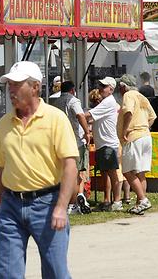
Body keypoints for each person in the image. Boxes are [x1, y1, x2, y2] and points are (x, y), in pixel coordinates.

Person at [0, 61, 77, 279]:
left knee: (55, 272)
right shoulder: (4, 123)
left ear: (35, 87)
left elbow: (70, 166)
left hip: (47, 204)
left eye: (17, 84)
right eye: (9, 84)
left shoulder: (55, 119)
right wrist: (3, 204)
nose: (11, 90)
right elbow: (1, 168)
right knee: (8, 273)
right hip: (11, 206)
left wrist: (61, 207)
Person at [116, 74, 156, 215]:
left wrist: (125, 130)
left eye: (119, 86)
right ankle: (140, 203)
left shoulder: (128, 95)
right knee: (140, 172)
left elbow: (128, 113)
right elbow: (153, 116)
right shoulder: (141, 96)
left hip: (134, 137)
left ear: (123, 86)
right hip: (145, 136)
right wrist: (144, 127)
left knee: (127, 171)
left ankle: (143, 199)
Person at [51, 80, 92, 215]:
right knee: (77, 173)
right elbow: (80, 114)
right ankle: (73, 202)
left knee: (64, 174)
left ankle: (73, 199)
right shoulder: (73, 100)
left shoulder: (56, 103)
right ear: (73, 90)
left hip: (60, 142)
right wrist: (87, 131)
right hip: (75, 141)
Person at [87, 77, 123, 212]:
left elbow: (88, 115)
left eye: (104, 86)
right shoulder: (106, 102)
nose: (101, 88)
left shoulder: (108, 102)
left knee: (113, 173)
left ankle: (117, 201)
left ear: (111, 89)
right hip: (102, 144)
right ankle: (107, 201)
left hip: (108, 144)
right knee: (104, 173)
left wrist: (76, 116)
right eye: (100, 85)